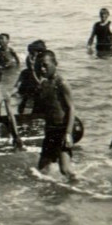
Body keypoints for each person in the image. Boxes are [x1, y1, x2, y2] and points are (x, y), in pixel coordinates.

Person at [35, 50, 76, 181]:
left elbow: (71, 108)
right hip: (51, 129)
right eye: (39, 65)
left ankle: (79, 188)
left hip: (63, 128)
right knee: (42, 169)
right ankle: (49, 192)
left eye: (45, 65)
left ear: (55, 64)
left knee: (65, 169)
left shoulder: (61, 83)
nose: (42, 69)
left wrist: (68, 133)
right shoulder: (44, 83)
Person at [14, 39, 46, 114]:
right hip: (26, 100)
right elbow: (16, 86)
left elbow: (41, 86)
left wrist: (33, 71)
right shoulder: (24, 73)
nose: (29, 57)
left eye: (32, 54)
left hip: (38, 102)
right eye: (29, 54)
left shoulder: (44, 73)